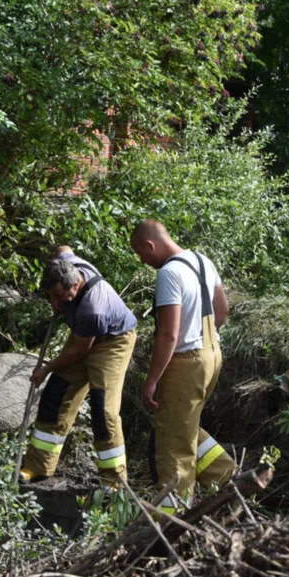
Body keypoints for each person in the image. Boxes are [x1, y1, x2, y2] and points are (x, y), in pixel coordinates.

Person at [130, 219, 237, 514]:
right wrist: (204, 337)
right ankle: (226, 476)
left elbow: (169, 334)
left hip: (186, 363)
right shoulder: (202, 260)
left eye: (141, 253)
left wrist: (152, 379)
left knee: (173, 443)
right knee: (183, 424)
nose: (142, 260)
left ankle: (172, 517)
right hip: (212, 354)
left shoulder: (169, 273)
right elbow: (223, 310)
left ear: (150, 245)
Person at [20, 247, 137, 488]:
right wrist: (58, 300)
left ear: (75, 286)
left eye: (60, 298)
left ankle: (114, 483)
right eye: (51, 296)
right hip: (83, 335)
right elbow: (64, 249)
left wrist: (46, 369)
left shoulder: (91, 308)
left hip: (113, 342)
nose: (55, 303)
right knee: (56, 395)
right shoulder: (66, 263)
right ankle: (37, 466)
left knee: (103, 411)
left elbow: (79, 351)